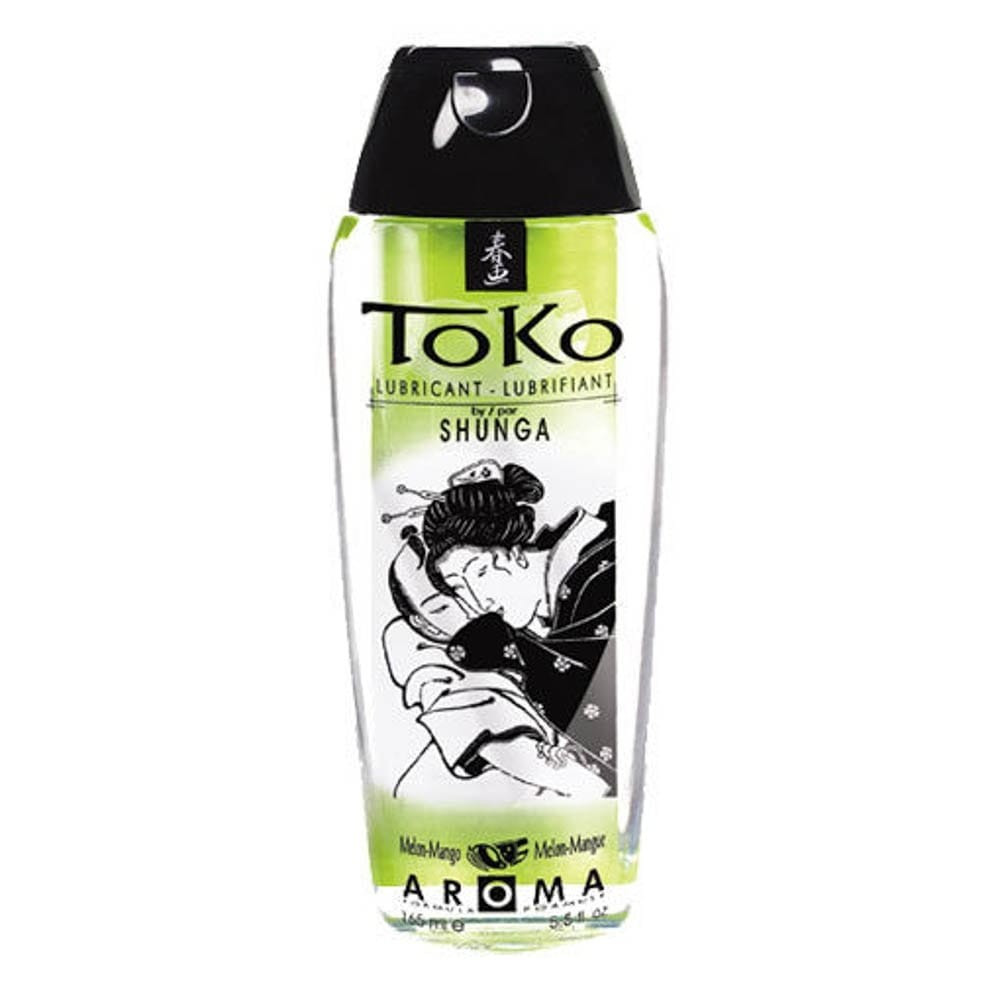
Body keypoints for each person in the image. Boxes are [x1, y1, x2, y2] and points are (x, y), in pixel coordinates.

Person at [383, 525, 609, 802]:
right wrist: (593, 786)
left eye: (470, 583)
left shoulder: (525, 613)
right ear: (422, 624)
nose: (470, 607)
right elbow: (488, 736)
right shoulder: (433, 665)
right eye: (442, 607)